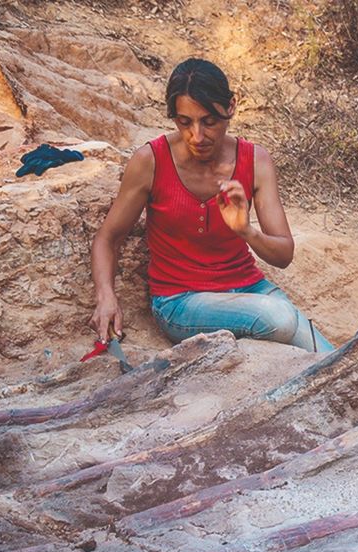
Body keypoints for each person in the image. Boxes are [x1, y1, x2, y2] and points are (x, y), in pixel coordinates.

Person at [89, 58, 332, 352]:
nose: (197, 136)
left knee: (334, 359)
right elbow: (108, 237)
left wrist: (245, 231)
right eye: (184, 122)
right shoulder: (151, 161)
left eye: (209, 121)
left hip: (250, 289)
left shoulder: (256, 160)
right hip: (180, 302)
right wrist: (106, 297)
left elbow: (283, 255)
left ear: (231, 107)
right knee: (281, 318)